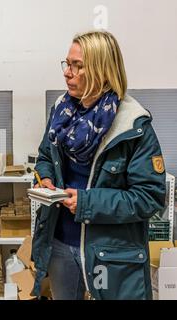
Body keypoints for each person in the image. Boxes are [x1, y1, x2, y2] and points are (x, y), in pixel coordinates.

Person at [31, 31, 166, 300]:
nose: (67, 73)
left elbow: (149, 198)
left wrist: (86, 203)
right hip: (60, 245)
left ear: (103, 70)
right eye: (67, 64)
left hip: (110, 255)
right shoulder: (61, 111)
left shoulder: (132, 126)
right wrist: (45, 178)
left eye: (77, 66)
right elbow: (46, 155)